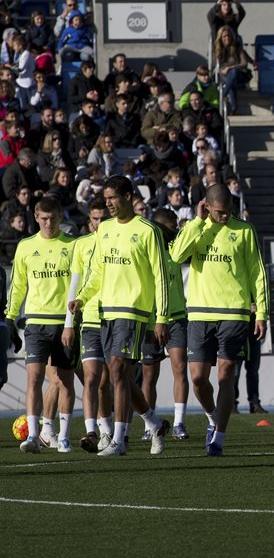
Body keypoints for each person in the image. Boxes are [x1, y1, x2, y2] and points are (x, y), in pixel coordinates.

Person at [68, 177, 171, 457]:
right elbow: (96, 272)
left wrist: (161, 318)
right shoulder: (105, 229)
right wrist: (82, 298)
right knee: (120, 375)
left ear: (128, 196)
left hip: (134, 311)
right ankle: (154, 423)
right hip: (106, 311)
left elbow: (161, 277)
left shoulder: (148, 230)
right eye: (106, 198)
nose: (109, 203)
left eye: (113, 197)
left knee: (116, 369)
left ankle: (119, 440)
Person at [171, 185, 268, 455]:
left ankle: (219, 438)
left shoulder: (244, 230)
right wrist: (196, 221)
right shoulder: (197, 227)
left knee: (226, 375)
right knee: (198, 379)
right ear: (207, 207)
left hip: (234, 314)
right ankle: (213, 418)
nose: (225, 217)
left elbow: (257, 273)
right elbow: (176, 255)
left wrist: (261, 313)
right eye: (219, 212)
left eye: (228, 212)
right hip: (199, 314)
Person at [9, 196, 75, 453]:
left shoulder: (72, 245)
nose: (49, 223)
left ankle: (64, 436)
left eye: (53, 218)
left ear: (60, 217)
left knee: (65, 381)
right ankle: (34, 436)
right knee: (34, 378)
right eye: (44, 219)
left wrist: (73, 320)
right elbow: (18, 285)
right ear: (36, 217)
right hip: (36, 323)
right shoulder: (26, 246)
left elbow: (79, 284)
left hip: (64, 323)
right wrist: (10, 316)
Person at [65, 199, 114, 452]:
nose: (99, 223)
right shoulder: (81, 245)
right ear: (89, 221)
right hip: (90, 318)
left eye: (103, 218)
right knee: (92, 378)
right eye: (95, 218)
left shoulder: (117, 241)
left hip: (116, 317)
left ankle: (148, 421)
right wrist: (68, 323)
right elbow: (74, 284)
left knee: (113, 380)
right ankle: (93, 432)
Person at [139, 209, 189, 444]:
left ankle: (179, 422)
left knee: (180, 367)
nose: (175, 231)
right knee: (149, 375)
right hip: (151, 320)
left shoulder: (176, 250)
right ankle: (149, 424)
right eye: (171, 227)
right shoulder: (147, 252)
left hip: (176, 316)